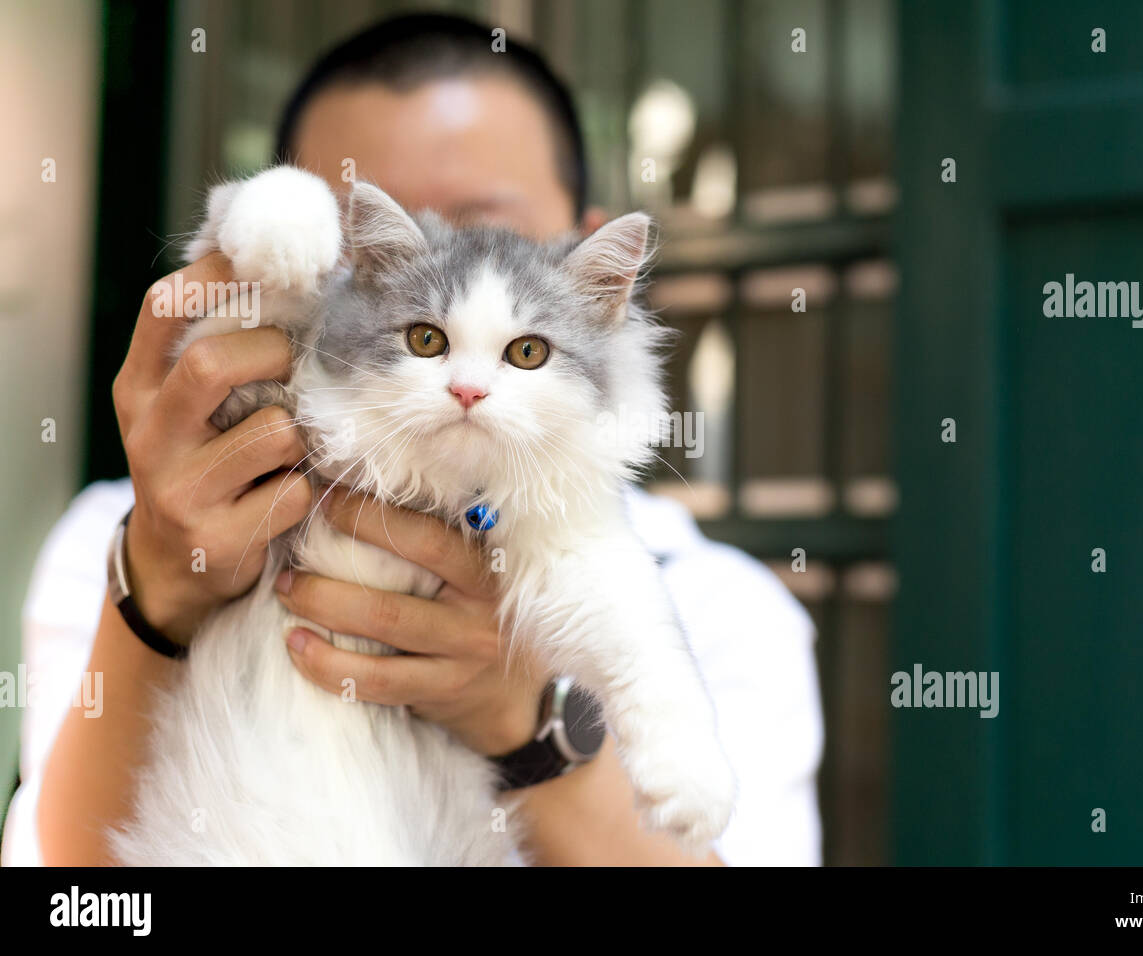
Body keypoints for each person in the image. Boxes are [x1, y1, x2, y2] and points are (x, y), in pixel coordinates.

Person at [1, 12, 823, 866]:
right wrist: (153, 590)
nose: (434, 248)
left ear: (587, 246)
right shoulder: (112, 536)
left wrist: (525, 726)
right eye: (369, 234)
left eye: (474, 220)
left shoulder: (722, 603)